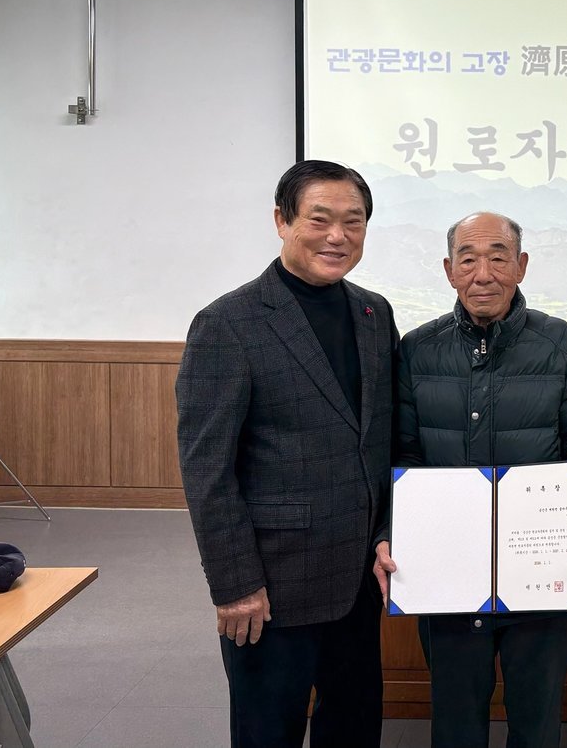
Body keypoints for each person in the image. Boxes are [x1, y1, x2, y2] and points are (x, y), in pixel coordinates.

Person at [176, 160, 397, 748]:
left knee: (354, 729)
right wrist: (234, 584)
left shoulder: (374, 313)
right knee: (267, 733)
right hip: (272, 589)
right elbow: (207, 470)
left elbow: (378, 440)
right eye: (319, 219)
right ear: (282, 221)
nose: (337, 236)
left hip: (359, 579)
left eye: (354, 221)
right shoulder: (228, 323)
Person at [372, 212, 567, 748]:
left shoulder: (563, 345)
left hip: (542, 568)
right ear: (449, 270)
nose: (483, 273)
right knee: (455, 720)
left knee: (537, 721)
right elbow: (401, 457)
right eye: (468, 259)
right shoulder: (417, 350)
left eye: (498, 258)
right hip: (446, 569)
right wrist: (390, 531)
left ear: (521, 266)